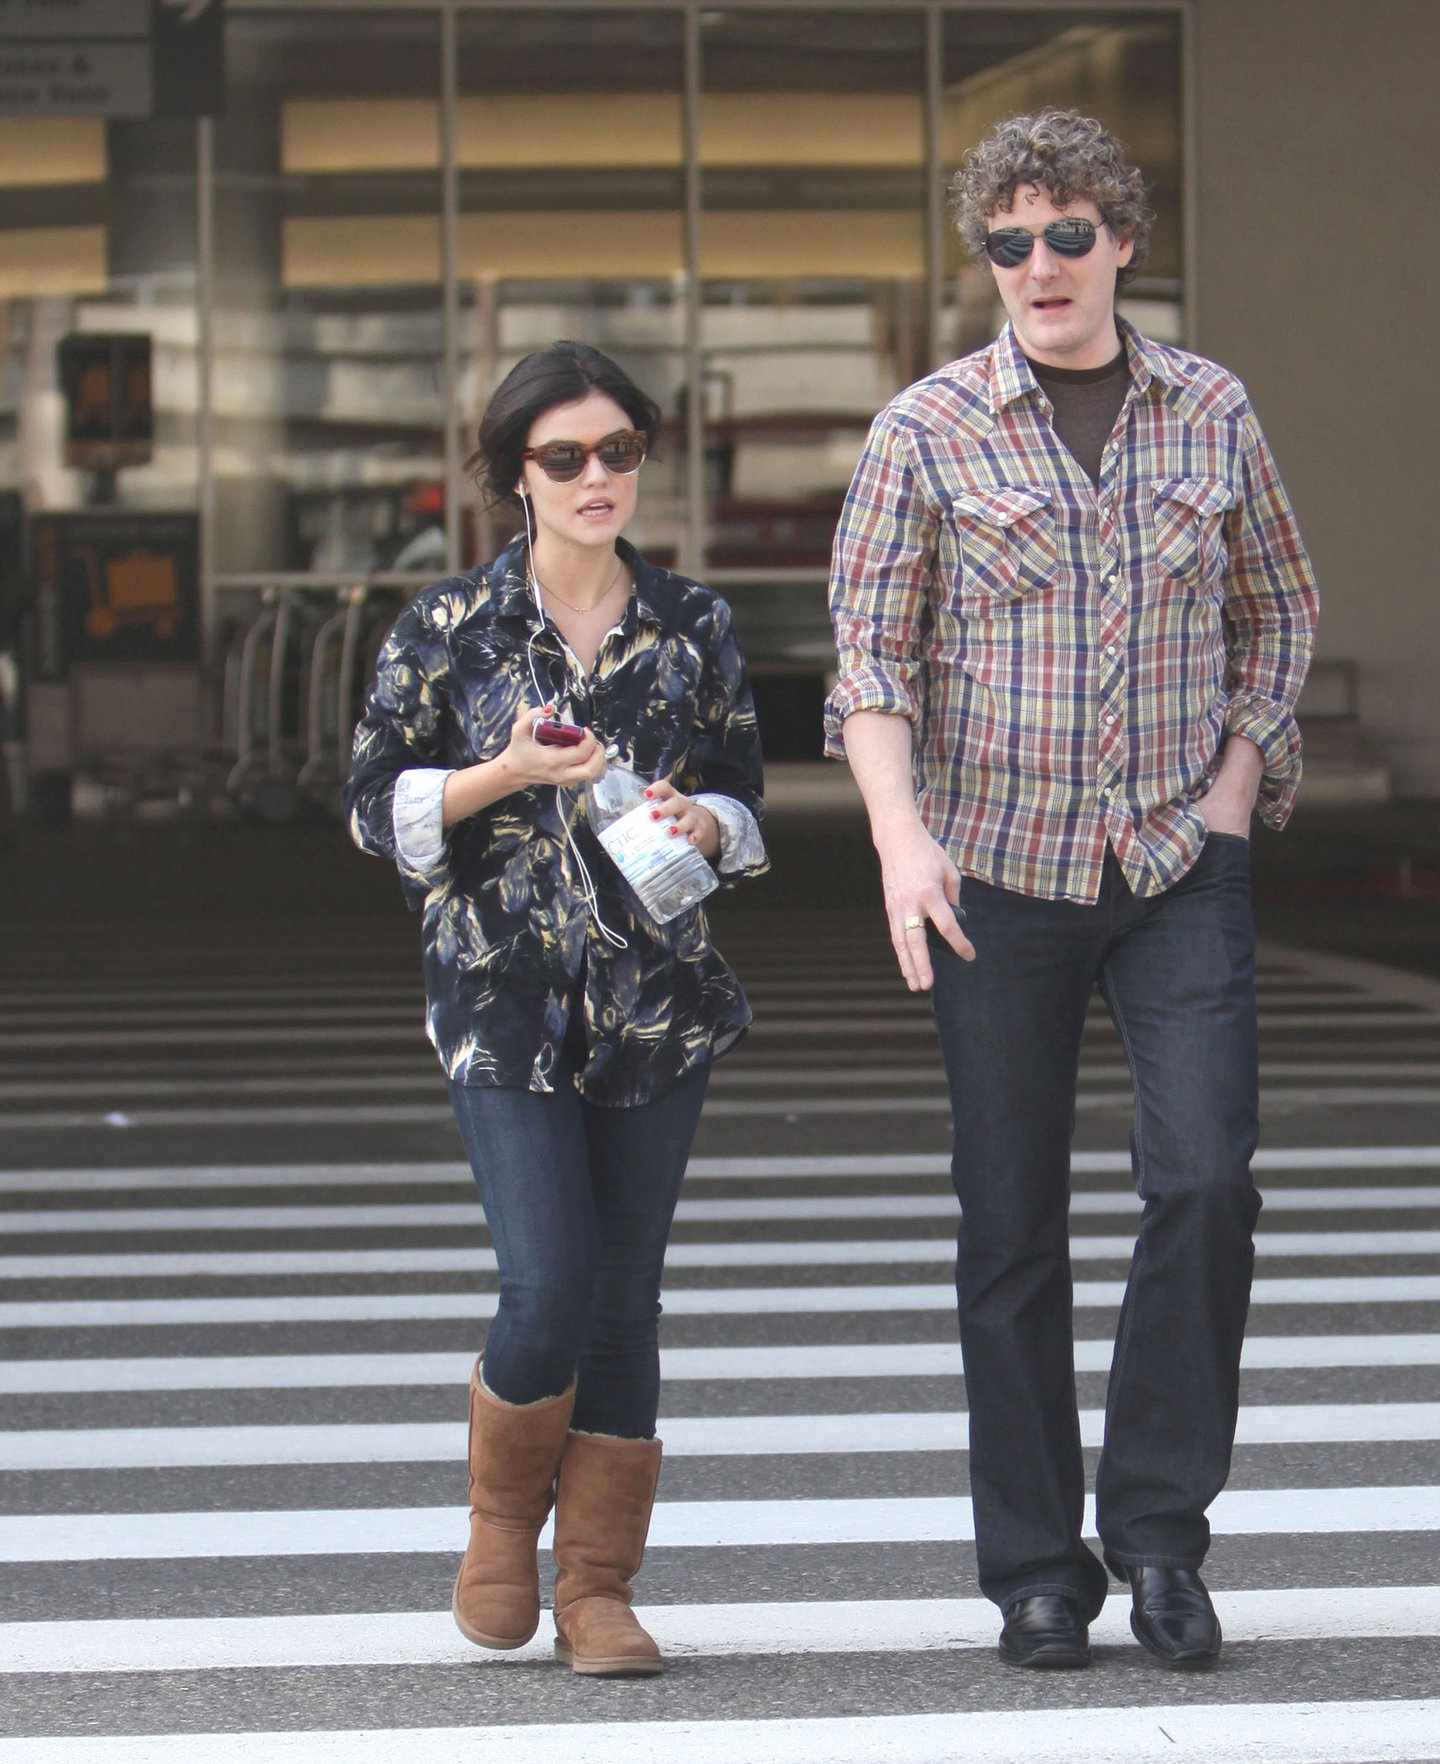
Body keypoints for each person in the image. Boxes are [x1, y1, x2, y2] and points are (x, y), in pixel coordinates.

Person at [826, 110, 1318, 1671]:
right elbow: (870, 662)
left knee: (1205, 1181)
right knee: (1011, 1228)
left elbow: (1280, 611)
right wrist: (904, 841)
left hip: (1179, 862)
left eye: (1067, 232)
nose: (1039, 264)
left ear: (1123, 241)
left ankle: (1162, 1538)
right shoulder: (927, 431)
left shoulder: (1211, 409)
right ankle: (1037, 1569)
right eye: (1009, 240)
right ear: (987, 258)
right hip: (1000, 871)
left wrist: (1236, 791)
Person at [346, 340, 767, 1678]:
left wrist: (709, 818)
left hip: (658, 1001)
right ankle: (497, 1527)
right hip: (499, 1001)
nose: (598, 479)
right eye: (566, 457)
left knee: (625, 1300)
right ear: (515, 474)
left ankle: (597, 1589)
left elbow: (745, 800)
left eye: (621, 453)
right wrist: (497, 773)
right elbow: (372, 803)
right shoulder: (446, 627)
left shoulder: (693, 626)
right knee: (549, 1283)